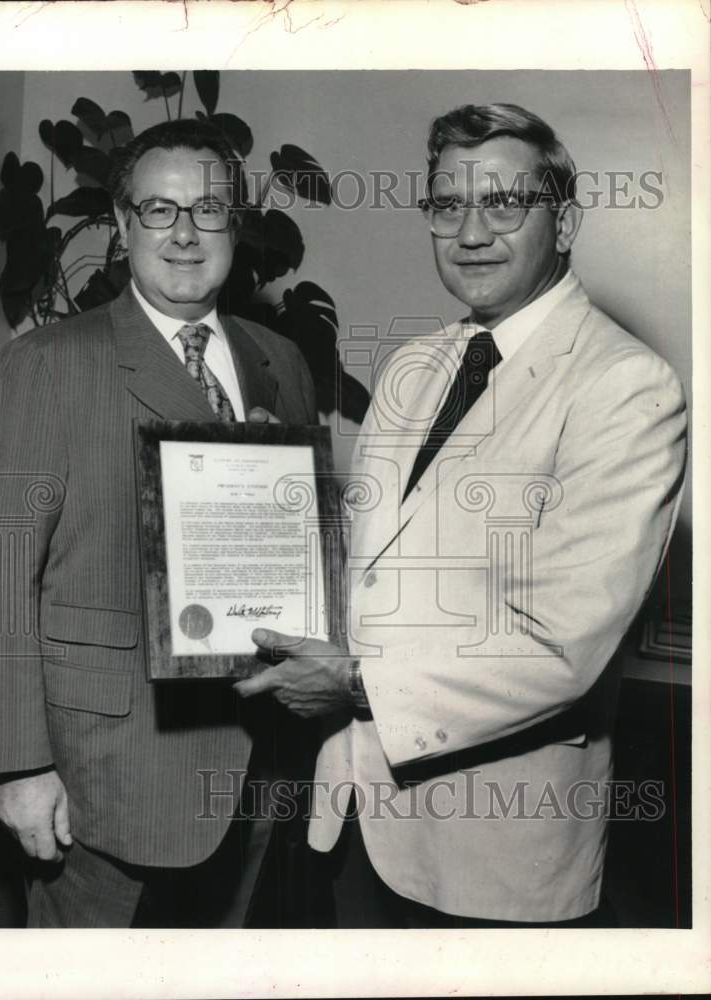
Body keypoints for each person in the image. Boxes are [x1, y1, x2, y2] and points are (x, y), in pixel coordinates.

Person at [237, 103, 688, 927]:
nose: (470, 231)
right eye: (447, 205)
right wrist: (274, 492)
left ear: (565, 221)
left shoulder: (626, 386)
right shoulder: (418, 361)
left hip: (492, 852)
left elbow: (561, 646)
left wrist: (352, 684)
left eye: (504, 204)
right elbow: (381, 552)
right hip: (352, 811)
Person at [0, 118, 317, 928]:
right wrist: (19, 766)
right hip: (102, 773)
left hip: (258, 759)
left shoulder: (279, 362)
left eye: (209, 210)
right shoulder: (48, 363)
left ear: (236, 225)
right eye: (157, 210)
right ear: (121, 227)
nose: (184, 234)